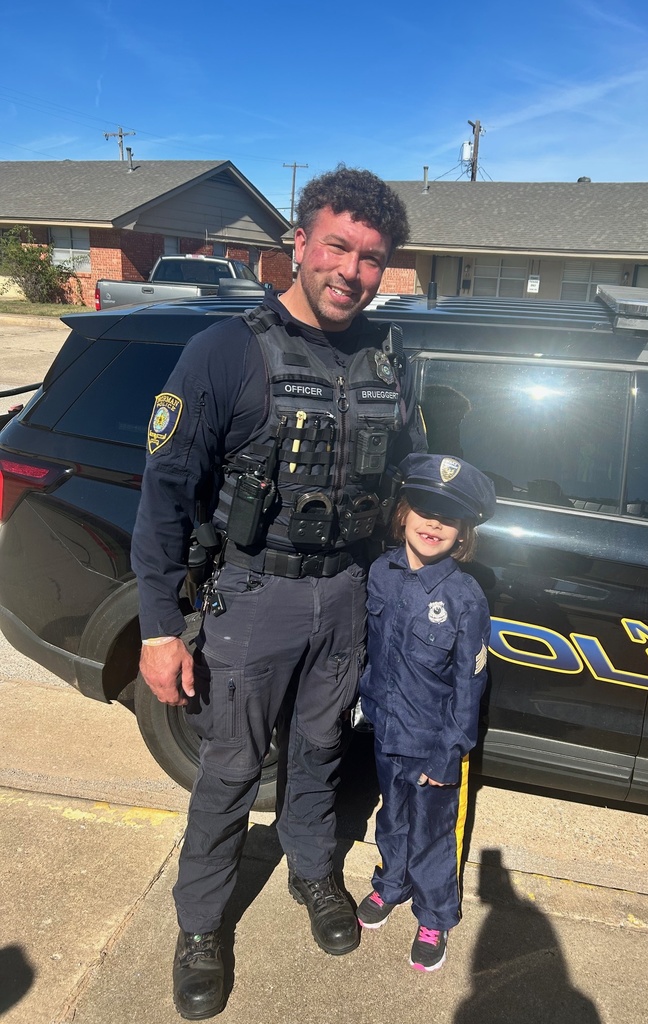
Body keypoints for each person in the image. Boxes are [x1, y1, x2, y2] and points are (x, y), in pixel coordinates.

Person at [130, 166, 425, 1020]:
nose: (351, 271)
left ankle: (312, 873)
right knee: (228, 769)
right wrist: (159, 627)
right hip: (253, 597)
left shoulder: (390, 355)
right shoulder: (224, 351)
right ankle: (198, 925)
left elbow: (406, 478)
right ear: (298, 242)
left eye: (372, 258)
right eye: (337, 245)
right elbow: (165, 499)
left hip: (348, 594)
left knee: (323, 751)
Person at [356, 452, 496, 972]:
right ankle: (390, 882)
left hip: (434, 744)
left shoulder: (465, 597)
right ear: (402, 513)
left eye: (449, 515)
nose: (434, 523)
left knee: (433, 833)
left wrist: (449, 753)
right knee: (391, 819)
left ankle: (435, 911)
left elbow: (469, 683)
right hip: (384, 732)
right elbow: (368, 649)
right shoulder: (380, 573)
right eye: (424, 508)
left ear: (463, 532)